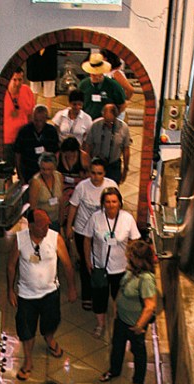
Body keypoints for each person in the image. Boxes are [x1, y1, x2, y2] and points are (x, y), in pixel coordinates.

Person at [7, 209, 76, 381]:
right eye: (42, 225)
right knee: (26, 329)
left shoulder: (55, 238)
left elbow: (67, 265)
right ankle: (28, 361)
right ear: (30, 226)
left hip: (50, 293)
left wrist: (72, 288)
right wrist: (10, 290)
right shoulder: (20, 239)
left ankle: (50, 339)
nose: (47, 227)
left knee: (51, 322)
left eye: (47, 223)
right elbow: (11, 266)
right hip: (26, 295)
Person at [99, 239, 157, 384]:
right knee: (117, 347)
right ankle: (114, 370)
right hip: (122, 320)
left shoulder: (146, 279)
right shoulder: (131, 271)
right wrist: (117, 306)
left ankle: (137, 381)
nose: (128, 258)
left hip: (135, 325)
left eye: (131, 256)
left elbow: (150, 306)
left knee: (138, 352)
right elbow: (122, 289)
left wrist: (139, 326)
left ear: (140, 259)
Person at [83, 186, 140, 337]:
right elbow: (87, 239)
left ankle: (116, 323)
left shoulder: (127, 219)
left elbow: (135, 241)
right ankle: (100, 324)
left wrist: (132, 262)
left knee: (119, 298)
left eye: (114, 201)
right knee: (99, 298)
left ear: (120, 203)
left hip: (121, 268)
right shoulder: (96, 218)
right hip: (100, 267)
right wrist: (88, 259)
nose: (111, 205)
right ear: (103, 203)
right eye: (107, 201)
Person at [66, 159, 115, 311]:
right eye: (93, 173)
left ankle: (99, 292)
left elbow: (116, 208)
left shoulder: (111, 186)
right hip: (82, 230)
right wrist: (69, 226)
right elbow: (73, 207)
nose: (95, 176)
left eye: (99, 173)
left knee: (102, 262)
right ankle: (87, 294)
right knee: (86, 263)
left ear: (104, 174)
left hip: (102, 232)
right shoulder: (82, 187)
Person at [83, 104, 131, 185]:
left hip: (113, 165)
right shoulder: (95, 125)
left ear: (116, 116)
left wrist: (125, 168)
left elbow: (126, 149)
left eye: (111, 122)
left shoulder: (123, 127)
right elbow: (88, 145)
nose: (108, 124)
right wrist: (86, 166)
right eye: (106, 121)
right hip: (97, 163)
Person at [14, 105, 60, 185]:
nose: (38, 123)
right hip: (28, 172)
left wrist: (54, 170)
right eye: (36, 120)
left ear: (46, 119)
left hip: (46, 173)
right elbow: (18, 154)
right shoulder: (24, 131)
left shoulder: (51, 131)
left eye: (41, 121)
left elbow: (56, 153)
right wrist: (20, 175)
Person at [3, 68, 35, 174]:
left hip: (23, 139)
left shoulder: (27, 91)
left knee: (25, 169)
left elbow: (31, 116)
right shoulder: (2, 94)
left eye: (20, 80)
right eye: (14, 80)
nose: (17, 83)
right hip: (7, 140)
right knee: (7, 172)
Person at [79, 52, 126, 121]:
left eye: (97, 72)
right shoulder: (83, 85)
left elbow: (122, 105)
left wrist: (113, 118)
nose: (94, 75)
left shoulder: (113, 85)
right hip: (87, 121)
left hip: (106, 122)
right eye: (92, 72)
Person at [27, 152, 64, 231]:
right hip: (41, 223)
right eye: (43, 169)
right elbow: (33, 207)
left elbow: (61, 200)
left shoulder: (59, 176)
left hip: (55, 220)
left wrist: (61, 219)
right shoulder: (36, 182)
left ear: (54, 167)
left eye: (49, 169)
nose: (46, 172)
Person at [57, 137, 89, 217]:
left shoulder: (83, 157)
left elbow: (89, 177)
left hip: (79, 186)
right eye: (67, 153)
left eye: (72, 152)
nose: (70, 155)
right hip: (62, 187)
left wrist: (83, 177)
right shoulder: (58, 156)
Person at [101, 50, 134, 121]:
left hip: (115, 109)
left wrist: (123, 100)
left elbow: (130, 89)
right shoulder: (105, 72)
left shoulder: (116, 73)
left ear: (106, 59)